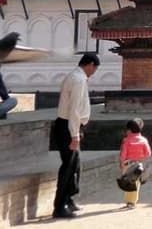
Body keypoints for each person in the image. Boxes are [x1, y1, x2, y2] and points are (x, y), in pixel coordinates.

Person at [53, 53, 99, 219]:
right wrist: (74, 135)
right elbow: (74, 110)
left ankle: (68, 199)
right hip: (68, 127)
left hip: (68, 125)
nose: (93, 72)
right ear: (90, 64)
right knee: (68, 167)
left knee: (74, 165)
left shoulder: (74, 77)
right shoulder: (78, 80)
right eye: (94, 69)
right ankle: (60, 206)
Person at [118, 118, 152, 209]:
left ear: (129, 130)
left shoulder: (126, 140)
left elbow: (123, 154)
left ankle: (129, 201)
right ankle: (132, 202)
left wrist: (121, 163)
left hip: (127, 164)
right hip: (138, 164)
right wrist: (141, 157)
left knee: (127, 183)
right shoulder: (144, 140)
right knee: (136, 183)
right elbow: (148, 153)